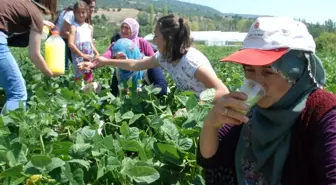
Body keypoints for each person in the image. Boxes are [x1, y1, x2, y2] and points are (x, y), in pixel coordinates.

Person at [197, 16, 336, 185]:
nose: (257, 82)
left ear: (296, 71)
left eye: (268, 71)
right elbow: (211, 158)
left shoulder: (324, 114)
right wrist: (210, 125)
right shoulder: (248, 110)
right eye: (249, 69)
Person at [79, 14, 229, 101]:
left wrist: (196, 106)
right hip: (190, 109)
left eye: (156, 35)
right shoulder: (164, 57)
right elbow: (135, 65)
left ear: (168, 39)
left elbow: (222, 91)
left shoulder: (191, 61)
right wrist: (106, 61)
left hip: (210, 109)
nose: (154, 40)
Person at [0, 0, 59, 114]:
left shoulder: (19, 4)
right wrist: (50, 73)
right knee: (17, 94)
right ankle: (6, 131)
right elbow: (34, 55)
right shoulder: (34, 13)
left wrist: (40, 22)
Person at [103, 18, 168, 97]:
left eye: (122, 57)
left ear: (131, 53)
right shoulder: (118, 72)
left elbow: (162, 89)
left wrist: (139, 94)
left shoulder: (149, 65)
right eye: (116, 58)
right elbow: (113, 94)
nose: (119, 61)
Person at [56, 0, 95, 71]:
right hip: (60, 40)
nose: (93, 9)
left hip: (72, 41)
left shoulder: (87, 23)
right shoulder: (71, 14)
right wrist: (78, 38)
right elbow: (63, 32)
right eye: (91, 7)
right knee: (65, 67)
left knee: (85, 69)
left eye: (93, 7)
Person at [68, 1, 99, 83]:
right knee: (79, 75)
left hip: (89, 54)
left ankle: (88, 92)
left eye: (83, 12)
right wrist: (82, 55)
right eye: (78, 12)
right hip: (78, 55)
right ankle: (79, 93)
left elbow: (90, 43)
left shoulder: (90, 27)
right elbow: (70, 44)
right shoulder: (73, 27)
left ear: (87, 12)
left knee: (89, 74)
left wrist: (97, 53)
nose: (81, 15)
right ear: (74, 13)